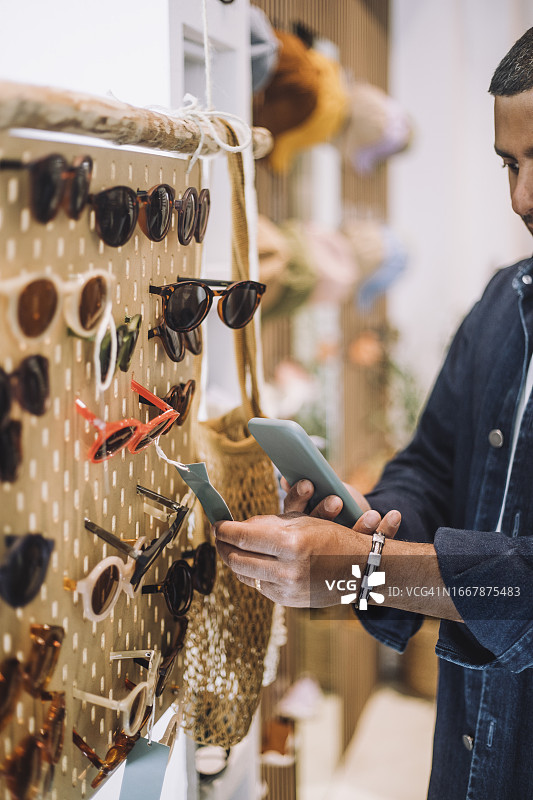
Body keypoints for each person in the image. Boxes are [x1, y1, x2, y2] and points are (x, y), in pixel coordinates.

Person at [215, 27, 533, 800]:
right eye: (511, 165)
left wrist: (365, 573)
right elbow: (428, 463)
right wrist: (365, 523)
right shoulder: (504, 302)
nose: (523, 198)